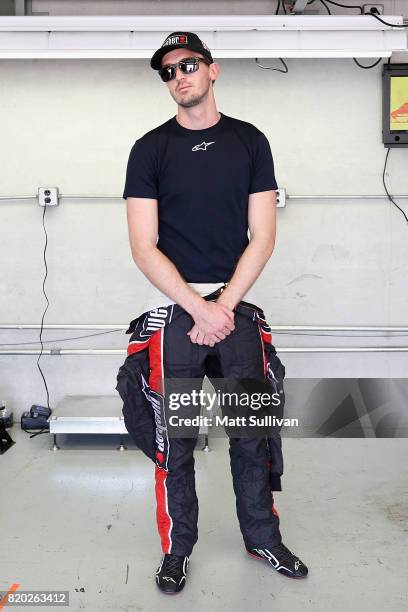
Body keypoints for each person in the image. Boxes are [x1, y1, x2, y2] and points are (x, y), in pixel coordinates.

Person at [122, 31, 308, 594]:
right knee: (175, 439)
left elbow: (264, 235)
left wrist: (223, 306)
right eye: (168, 70)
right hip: (179, 319)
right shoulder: (149, 149)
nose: (179, 76)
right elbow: (143, 245)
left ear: (212, 70)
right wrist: (197, 307)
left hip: (235, 316)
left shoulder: (251, 142)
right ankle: (177, 551)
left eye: (189, 64)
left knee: (251, 436)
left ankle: (263, 539)